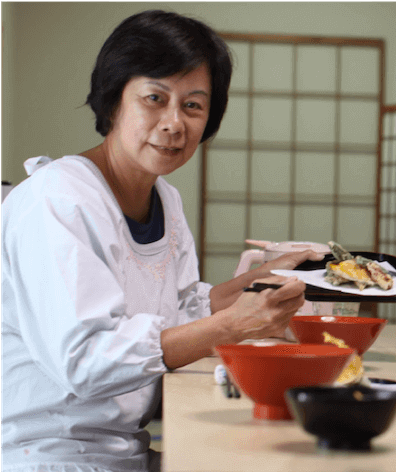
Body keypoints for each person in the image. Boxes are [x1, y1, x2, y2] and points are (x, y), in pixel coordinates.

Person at [1, 11, 323, 471]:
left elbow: (178, 310)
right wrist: (231, 327)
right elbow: (84, 362)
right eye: (155, 98)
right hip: (50, 455)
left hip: (124, 448)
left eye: (193, 105)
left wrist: (262, 281)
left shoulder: (164, 198)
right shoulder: (56, 201)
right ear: (113, 101)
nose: (174, 123)